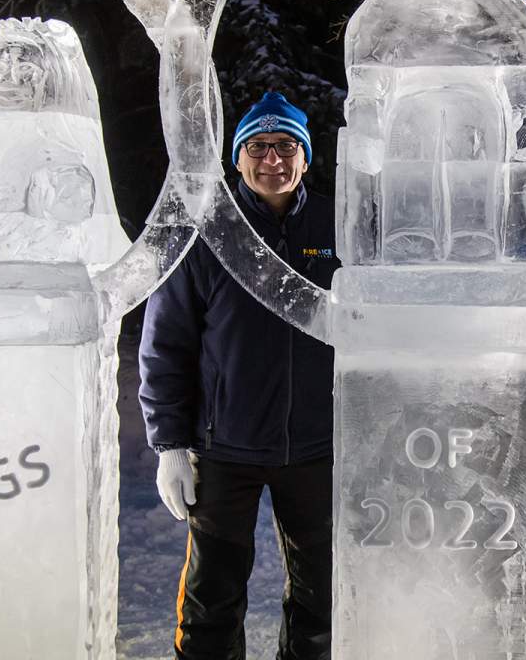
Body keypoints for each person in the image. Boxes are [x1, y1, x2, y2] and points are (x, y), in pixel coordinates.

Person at [138, 91, 339, 660]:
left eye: (284, 146)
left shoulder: (338, 225)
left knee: (321, 598)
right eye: (257, 146)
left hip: (317, 449)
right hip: (223, 448)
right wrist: (171, 444)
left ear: (304, 157)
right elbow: (165, 344)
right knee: (211, 598)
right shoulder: (210, 229)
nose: (271, 159)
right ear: (237, 155)